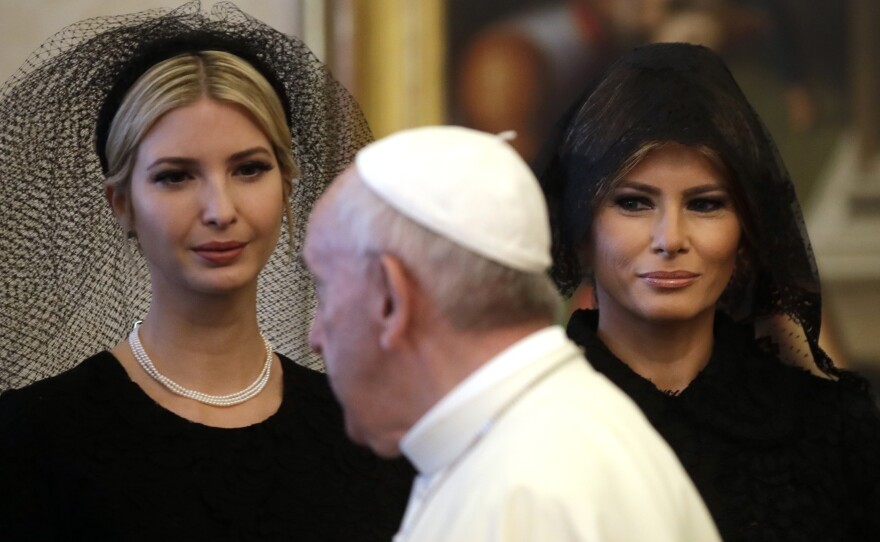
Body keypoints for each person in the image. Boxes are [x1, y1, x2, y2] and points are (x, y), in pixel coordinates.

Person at [0, 3, 411, 540]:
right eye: (175, 177)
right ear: (121, 203)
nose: (219, 209)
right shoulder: (32, 438)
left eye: (249, 169)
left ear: (287, 184)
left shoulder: (369, 431)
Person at [303, 125, 721, 541]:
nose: (315, 336)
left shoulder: (526, 486)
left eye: (324, 288)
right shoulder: (543, 438)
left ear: (390, 299)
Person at [537, 42, 880, 541]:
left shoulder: (833, 431)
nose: (670, 238)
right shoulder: (525, 425)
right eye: (633, 203)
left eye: (705, 204)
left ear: (746, 234)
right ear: (581, 228)